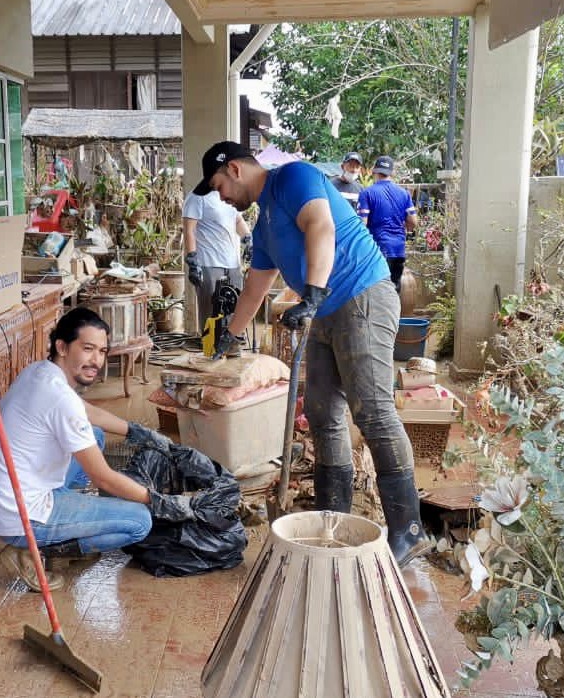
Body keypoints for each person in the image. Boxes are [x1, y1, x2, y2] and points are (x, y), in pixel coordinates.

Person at [194, 141, 431, 567]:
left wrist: (313, 293)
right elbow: (256, 286)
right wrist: (230, 335)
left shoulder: (293, 176)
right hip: (325, 309)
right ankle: (333, 517)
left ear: (234, 169)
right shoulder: (265, 222)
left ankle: (408, 532)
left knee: (373, 412)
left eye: (218, 186)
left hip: (362, 296)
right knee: (322, 413)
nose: (222, 198)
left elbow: (321, 225)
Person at [0, 307, 187, 591]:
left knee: (96, 436)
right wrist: (159, 502)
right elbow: (102, 477)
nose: (96, 360)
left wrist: (138, 431)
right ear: (62, 347)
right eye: (87, 349)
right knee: (139, 522)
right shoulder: (61, 399)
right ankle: (40, 549)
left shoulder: (39, 372)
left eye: (101, 351)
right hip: (20, 518)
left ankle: (61, 525)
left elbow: (85, 411)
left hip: (6, 500)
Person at [182, 189, 251, 330]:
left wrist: (248, 239)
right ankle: (211, 348)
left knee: (235, 308)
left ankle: (232, 347)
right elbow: (189, 230)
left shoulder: (229, 194)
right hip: (209, 262)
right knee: (211, 310)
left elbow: (237, 220)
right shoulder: (197, 196)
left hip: (232, 263)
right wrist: (193, 261)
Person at [357, 155, 418, 291]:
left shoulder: (367, 193)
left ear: (374, 171)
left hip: (377, 250)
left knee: (377, 291)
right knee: (394, 289)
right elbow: (413, 221)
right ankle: (394, 313)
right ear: (391, 173)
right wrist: (405, 229)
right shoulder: (404, 194)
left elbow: (362, 223)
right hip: (398, 249)